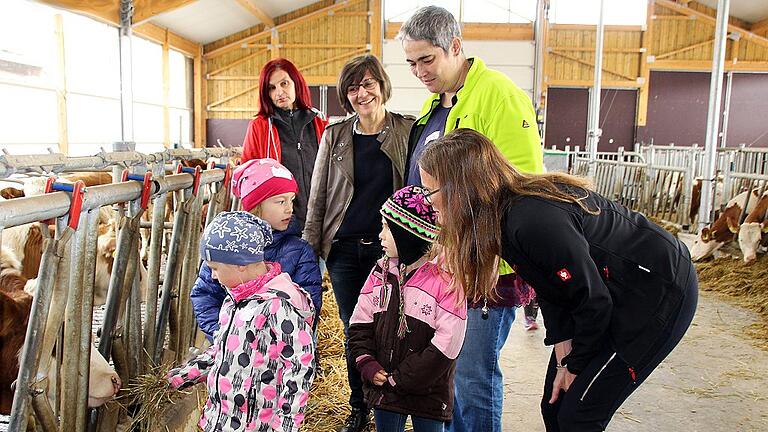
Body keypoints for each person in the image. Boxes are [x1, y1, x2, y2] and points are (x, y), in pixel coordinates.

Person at [418, 129, 698, 432]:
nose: (426, 201)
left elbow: (591, 300)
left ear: (461, 189)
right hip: (606, 291)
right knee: (555, 406)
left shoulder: (531, 221)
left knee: (578, 417)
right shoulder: (500, 217)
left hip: (656, 291)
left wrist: (576, 365)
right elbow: (552, 289)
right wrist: (565, 360)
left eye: (430, 191)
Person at [396, 6, 543, 432]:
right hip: (443, 266)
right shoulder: (432, 107)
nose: (420, 71)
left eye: (427, 59)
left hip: (484, 266)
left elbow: (522, 186)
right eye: (411, 63)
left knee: (475, 375)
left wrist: (476, 249)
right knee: (450, 373)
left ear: (456, 47)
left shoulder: (499, 96)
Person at [304, 54, 414, 432]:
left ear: (382, 86)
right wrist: (312, 247)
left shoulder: (407, 129)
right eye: (353, 87)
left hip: (390, 250)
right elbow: (318, 196)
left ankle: (389, 403)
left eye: (368, 84)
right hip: (345, 250)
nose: (361, 93)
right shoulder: (335, 135)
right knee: (356, 330)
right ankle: (358, 405)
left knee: (392, 328)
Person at [167, 212, 316, 432]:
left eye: (216, 268)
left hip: (256, 424)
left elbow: (299, 367)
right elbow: (221, 351)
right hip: (223, 419)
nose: (214, 276)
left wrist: (284, 424)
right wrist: (182, 377)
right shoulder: (233, 300)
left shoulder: (279, 306)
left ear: (240, 265)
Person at [348, 185, 467, 432]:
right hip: (384, 387)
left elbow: (449, 342)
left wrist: (401, 378)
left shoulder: (447, 280)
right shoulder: (380, 274)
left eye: (387, 228)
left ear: (407, 234)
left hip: (429, 391)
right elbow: (359, 323)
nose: (380, 235)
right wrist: (367, 363)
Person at [191, 158, 322, 341]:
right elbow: (204, 294)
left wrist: (272, 343)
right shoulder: (226, 245)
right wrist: (223, 335)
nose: (289, 209)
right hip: (232, 349)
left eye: (291, 200)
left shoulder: (300, 251)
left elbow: (309, 305)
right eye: (280, 201)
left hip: (281, 351)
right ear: (256, 203)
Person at [241, 58, 328, 230]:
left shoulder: (319, 122)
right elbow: (247, 173)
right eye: (272, 88)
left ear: (296, 83)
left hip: (319, 219)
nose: (279, 92)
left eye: (284, 83)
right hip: (279, 224)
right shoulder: (260, 126)